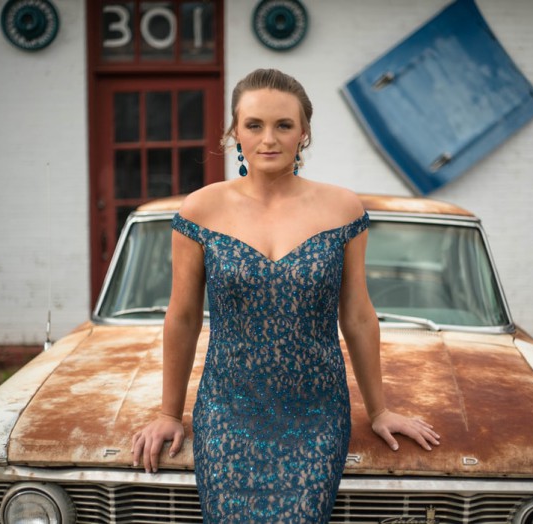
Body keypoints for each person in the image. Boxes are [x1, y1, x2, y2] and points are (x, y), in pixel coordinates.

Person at [131, 68, 440, 522]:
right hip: (227, 411)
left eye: (284, 125)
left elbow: (356, 314)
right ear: (234, 132)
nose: (268, 139)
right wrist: (169, 413)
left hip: (316, 413)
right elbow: (182, 317)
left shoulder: (343, 208)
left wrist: (379, 410)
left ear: (305, 133)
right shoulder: (200, 209)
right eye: (254, 125)